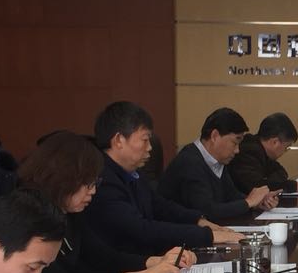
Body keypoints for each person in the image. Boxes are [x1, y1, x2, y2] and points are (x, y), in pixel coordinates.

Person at [17, 131, 190, 273]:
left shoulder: (70, 212)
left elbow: (104, 257)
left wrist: (156, 262)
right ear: (64, 178)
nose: (93, 191)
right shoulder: (29, 216)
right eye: (88, 184)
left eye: (95, 183)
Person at [83, 101, 243, 257]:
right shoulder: (103, 181)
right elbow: (141, 230)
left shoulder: (132, 172)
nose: (150, 147)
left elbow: (159, 206)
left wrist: (198, 221)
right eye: (145, 140)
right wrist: (207, 235)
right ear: (119, 140)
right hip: (126, 267)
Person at [159, 107, 279, 219]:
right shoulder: (189, 162)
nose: (237, 150)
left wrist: (257, 202)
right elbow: (206, 212)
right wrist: (248, 202)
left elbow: (231, 196)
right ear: (215, 136)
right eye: (235, 143)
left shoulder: (216, 161)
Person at [229, 112, 298, 195]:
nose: (285, 151)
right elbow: (257, 188)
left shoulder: (261, 151)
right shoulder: (248, 151)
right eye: (286, 147)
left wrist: (271, 182)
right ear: (275, 142)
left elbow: (281, 172)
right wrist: (297, 186)